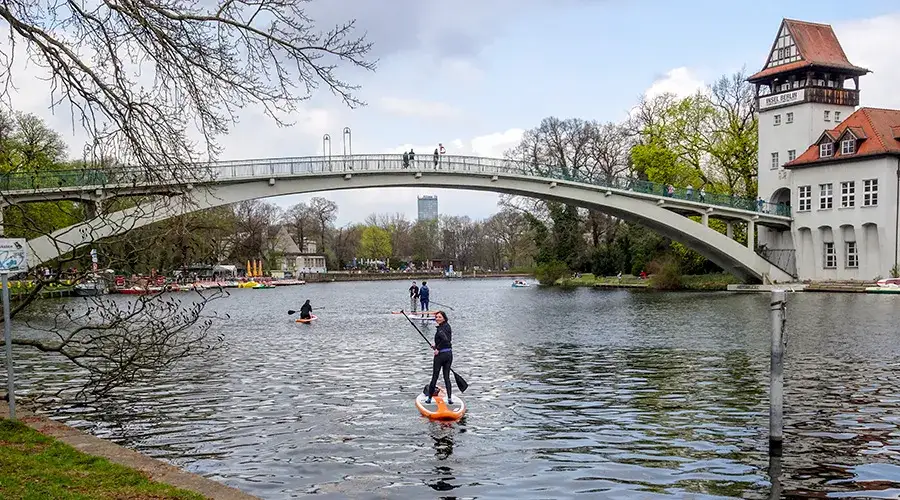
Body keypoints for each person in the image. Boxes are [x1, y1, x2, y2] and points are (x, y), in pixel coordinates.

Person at [425, 311, 453, 404]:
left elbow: (445, 339)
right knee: (447, 377)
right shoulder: (448, 326)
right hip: (449, 354)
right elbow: (447, 340)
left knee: (435, 377)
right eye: (436, 317)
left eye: (440, 317)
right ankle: (449, 398)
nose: (437, 318)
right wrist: (436, 346)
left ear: (444, 318)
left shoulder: (440, 329)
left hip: (441, 355)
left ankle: (429, 398)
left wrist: (438, 348)